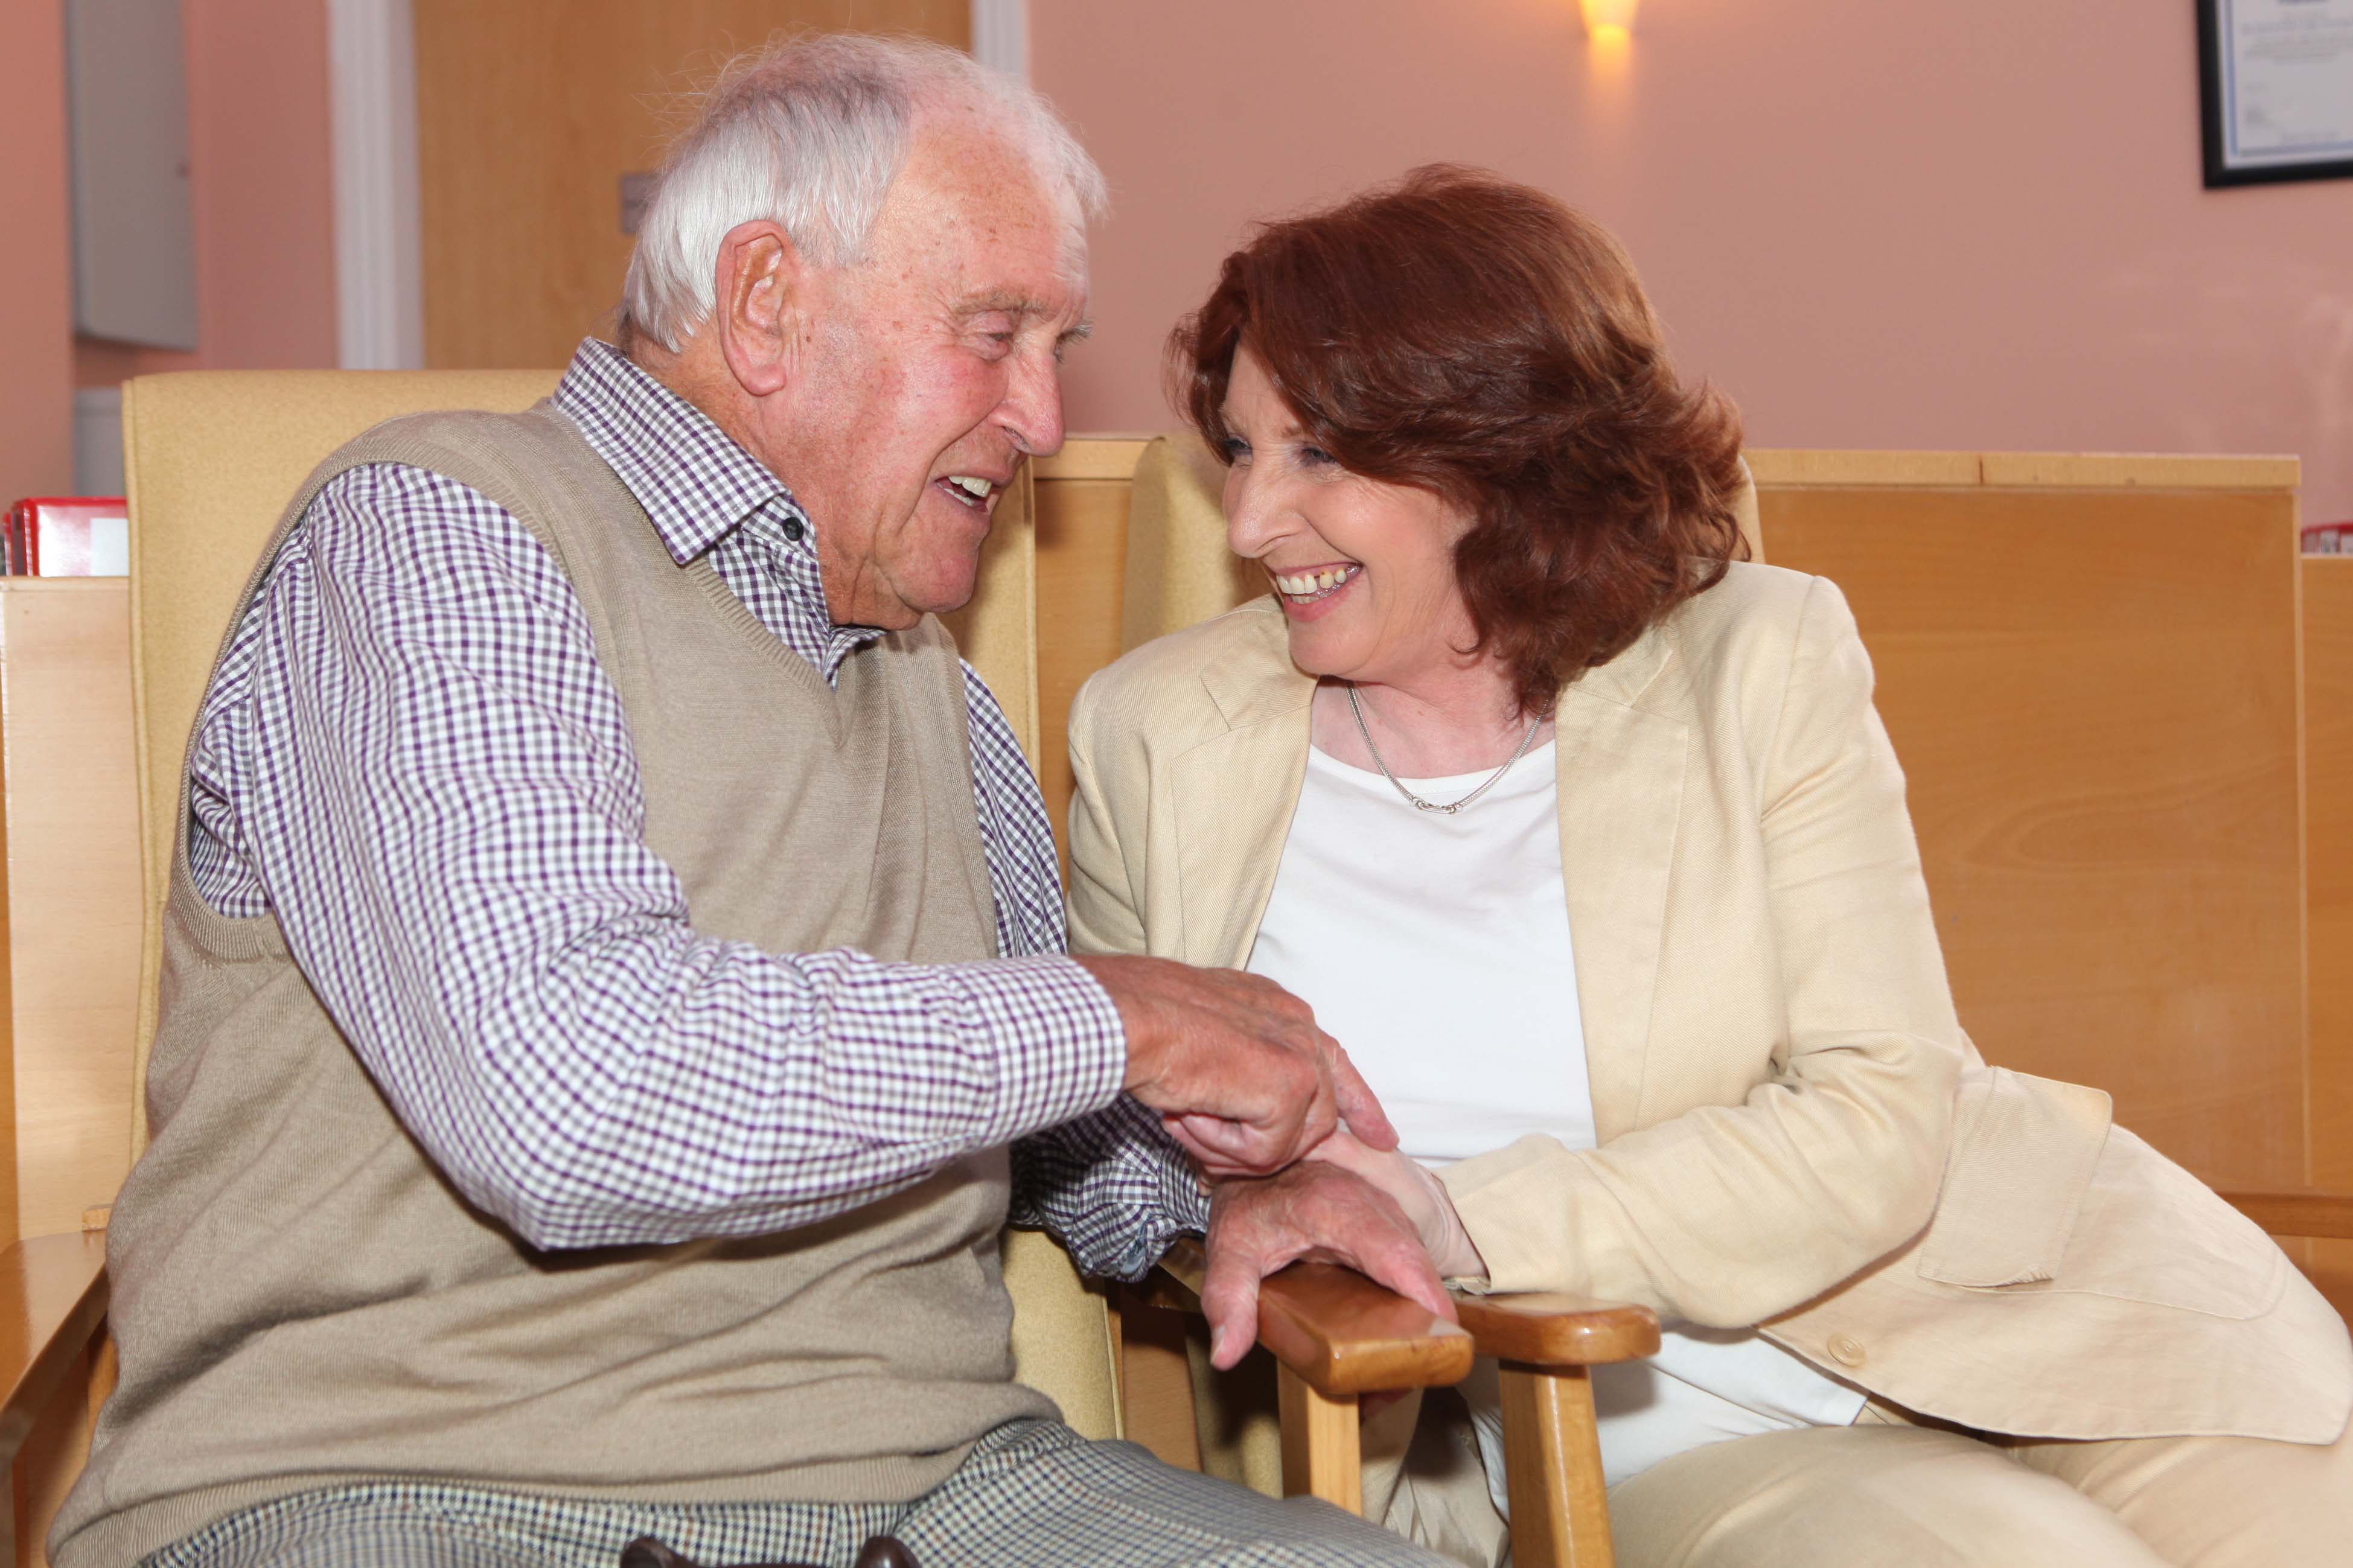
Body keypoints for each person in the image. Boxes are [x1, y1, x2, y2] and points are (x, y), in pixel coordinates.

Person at [53, 38, 1455, 1568]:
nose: (1045, 419)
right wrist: (1115, 1016)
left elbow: (1046, 1121)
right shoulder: (437, 531)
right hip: (402, 1484)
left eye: (1055, 347)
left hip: (939, 1493)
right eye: (994, 335)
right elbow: (568, 1102)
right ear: (769, 301)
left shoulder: (934, 685)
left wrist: (1220, 1193)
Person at [1064, 165, 2353, 1568]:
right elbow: (1120, 1154)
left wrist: (1453, 1213)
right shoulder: (1155, 741)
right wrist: (1247, 1199)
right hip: (1650, 1428)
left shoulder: (1759, 656)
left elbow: (1882, 1110)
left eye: (1316, 455)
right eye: (1240, 450)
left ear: (1497, 458)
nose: (1249, 521)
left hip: (2046, 1319)